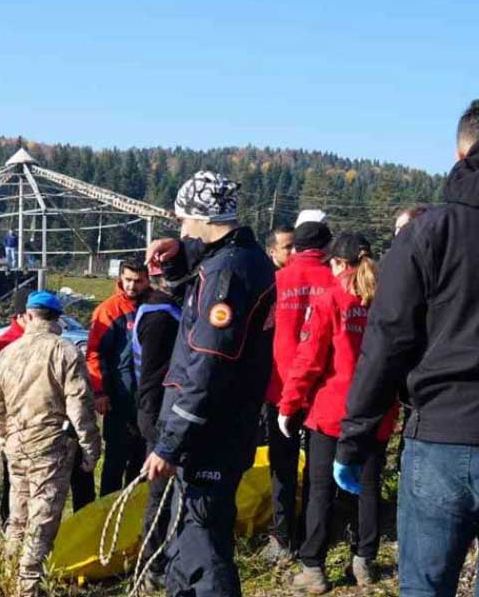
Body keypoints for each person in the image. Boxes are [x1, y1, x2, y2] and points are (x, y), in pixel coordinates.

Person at [336, 100, 479, 597]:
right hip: (440, 430)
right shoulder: (427, 233)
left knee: (424, 586)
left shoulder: (426, 233)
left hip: (439, 434)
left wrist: (354, 437)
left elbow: (388, 341)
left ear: (461, 153)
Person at [141, 170, 276, 597]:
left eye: (184, 220)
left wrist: (169, 443)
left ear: (202, 216)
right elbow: (193, 290)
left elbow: (206, 366)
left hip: (209, 432)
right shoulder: (245, 259)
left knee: (203, 544)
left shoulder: (227, 274)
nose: (181, 228)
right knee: (187, 537)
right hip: (221, 426)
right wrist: (180, 253)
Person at [278, 234, 393, 593]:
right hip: (377, 410)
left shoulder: (331, 299)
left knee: (321, 491)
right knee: (368, 488)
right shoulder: (389, 303)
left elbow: (309, 359)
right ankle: (364, 561)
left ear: (340, 264)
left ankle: (314, 567)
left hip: (333, 412)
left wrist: (289, 403)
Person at [0, 291, 101, 597]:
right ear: (58, 318)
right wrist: (91, 449)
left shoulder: (7, 353)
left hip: (16, 444)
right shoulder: (65, 351)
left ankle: (7, 577)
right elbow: (80, 406)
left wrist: (5, 437)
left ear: (29, 315)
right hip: (51, 446)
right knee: (42, 520)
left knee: (18, 517)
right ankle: (28, 588)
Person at [262, 219, 335, 562]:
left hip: (280, 387)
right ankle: (314, 534)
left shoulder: (277, 281)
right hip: (322, 389)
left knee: (282, 464)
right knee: (319, 470)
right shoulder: (334, 280)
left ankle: (281, 535)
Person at [133, 264, 183, 589]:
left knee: (164, 494)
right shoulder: (161, 317)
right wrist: (154, 428)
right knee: (161, 494)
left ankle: (160, 559)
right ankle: (152, 564)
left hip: (158, 409)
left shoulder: (154, 308)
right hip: (159, 412)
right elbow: (152, 372)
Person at [86, 258, 151, 496]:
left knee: (142, 459)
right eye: (128, 280)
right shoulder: (108, 310)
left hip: (148, 398)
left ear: (147, 280)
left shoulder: (156, 305)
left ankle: (137, 512)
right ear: (120, 278)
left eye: (138, 281)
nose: (132, 286)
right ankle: (108, 510)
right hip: (118, 397)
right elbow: (93, 353)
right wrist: (100, 392)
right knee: (115, 459)